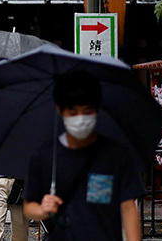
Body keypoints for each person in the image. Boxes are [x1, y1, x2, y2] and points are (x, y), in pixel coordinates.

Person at [23, 70, 143, 241]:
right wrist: (42, 210)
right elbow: (29, 206)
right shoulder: (45, 155)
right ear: (60, 110)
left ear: (96, 109)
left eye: (87, 111)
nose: (80, 119)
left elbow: (128, 207)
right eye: (73, 112)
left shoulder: (116, 155)